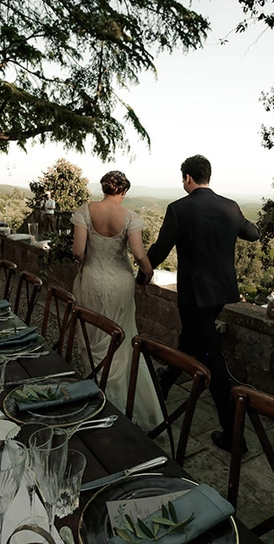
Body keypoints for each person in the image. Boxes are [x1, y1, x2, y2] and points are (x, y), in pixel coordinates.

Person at [138, 155, 260, 452]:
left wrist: (143, 275)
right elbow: (253, 234)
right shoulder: (230, 206)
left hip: (194, 295)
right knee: (191, 340)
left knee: (212, 358)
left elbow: (160, 248)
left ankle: (233, 435)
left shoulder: (179, 208)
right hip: (221, 294)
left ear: (188, 178)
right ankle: (164, 385)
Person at [71, 171, 161, 429]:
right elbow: (139, 255)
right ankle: (119, 402)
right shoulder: (130, 216)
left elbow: (78, 251)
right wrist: (148, 273)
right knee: (121, 339)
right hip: (121, 283)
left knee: (93, 334)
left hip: (91, 281)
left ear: (104, 188)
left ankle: (96, 389)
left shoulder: (85, 211)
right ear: (123, 191)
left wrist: (88, 262)